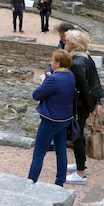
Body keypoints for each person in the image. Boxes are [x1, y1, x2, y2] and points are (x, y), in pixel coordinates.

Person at [28, 49, 75, 187]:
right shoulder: (70, 75)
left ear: (58, 63)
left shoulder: (54, 79)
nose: (50, 62)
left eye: (52, 60)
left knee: (38, 154)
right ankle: (60, 183)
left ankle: (30, 183)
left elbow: (36, 95)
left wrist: (47, 79)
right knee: (61, 152)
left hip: (51, 120)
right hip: (65, 119)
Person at [64, 29, 104, 185]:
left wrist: (91, 105)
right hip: (83, 105)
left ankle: (80, 173)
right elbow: (95, 80)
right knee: (78, 135)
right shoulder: (86, 57)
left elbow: (85, 87)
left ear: (73, 44)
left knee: (77, 136)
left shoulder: (77, 63)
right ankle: (82, 165)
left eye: (66, 40)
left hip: (79, 105)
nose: (64, 43)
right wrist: (97, 101)